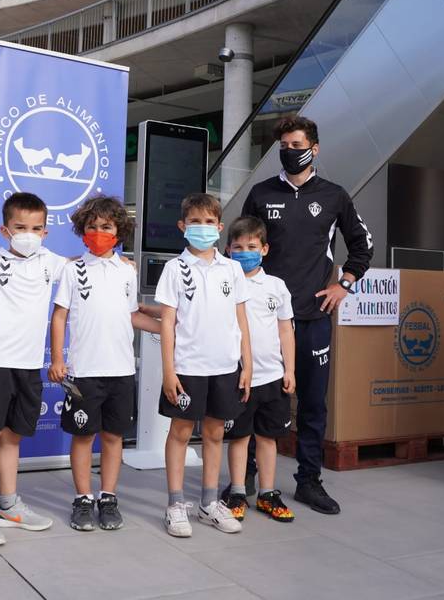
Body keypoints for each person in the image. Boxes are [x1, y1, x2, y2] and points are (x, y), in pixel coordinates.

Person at [240, 115, 372, 516]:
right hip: (264, 319)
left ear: (314, 148)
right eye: (284, 145)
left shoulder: (334, 196)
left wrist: (343, 284)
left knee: (313, 403)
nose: (290, 151)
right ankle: (244, 475)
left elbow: (362, 245)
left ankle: (308, 481)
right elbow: (242, 245)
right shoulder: (261, 194)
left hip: (313, 317)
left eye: (297, 144)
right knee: (252, 397)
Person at [0, 192, 67, 547]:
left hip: (29, 367)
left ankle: (8, 504)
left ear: (46, 232)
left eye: (36, 228)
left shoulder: (52, 263)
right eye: (21, 227)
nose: (29, 234)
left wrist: (121, 262)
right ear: (6, 230)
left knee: (12, 437)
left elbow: (85, 267)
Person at [48, 196, 162, 532]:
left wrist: (167, 328)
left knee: (113, 437)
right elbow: (59, 316)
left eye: (107, 227)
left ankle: (108, 496)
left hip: (121, 372)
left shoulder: (126, 271)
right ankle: (83, 498)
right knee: (83, 437)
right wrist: (58, 358)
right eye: (92, 226)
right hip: (83, 372)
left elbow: (132, 315)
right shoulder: (73, 269)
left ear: (119, 230)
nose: (99, 232)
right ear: (82, 230)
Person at [155, 192, 253, 538]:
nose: (202, 228)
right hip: (187, 368)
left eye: (209, 222)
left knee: (215, 433)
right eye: (195, 222)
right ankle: (175, 504)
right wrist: (168, 370)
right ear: (183, 226)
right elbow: (167, 322)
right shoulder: (174, 269)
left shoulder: (232, 269)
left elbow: (242, 320)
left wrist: (248, 365)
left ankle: (209, 503)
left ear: (219, 227)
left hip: (225, 368)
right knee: (180, 433)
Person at [220, 216, 296, 523]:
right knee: (239, 436)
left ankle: (267, 493)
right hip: (238, 377)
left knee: (268, 437)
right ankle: (237, 490)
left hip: (272, 377)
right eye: (237, 247)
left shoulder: (276, 286)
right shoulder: (224, 283)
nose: (244, 252)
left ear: (264, 249)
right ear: (228, 250)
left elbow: (286, 331)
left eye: (251, 246)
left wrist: (289, 370)